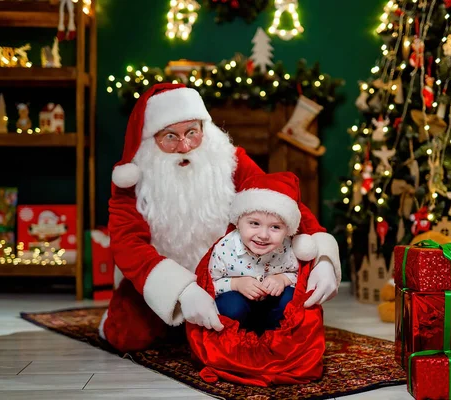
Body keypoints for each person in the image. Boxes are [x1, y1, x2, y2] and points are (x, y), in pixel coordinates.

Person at [98, 83, 341, 353]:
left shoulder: (229, 161)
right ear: (151, 140)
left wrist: (324, 258)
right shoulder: (132, 180)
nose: (185, 146)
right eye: (170, 137)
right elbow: (126, 244)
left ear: (204, 128)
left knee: (264, 328)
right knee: (127, 337)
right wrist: (182, 291)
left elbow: (279, 199)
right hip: (160, 279)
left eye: (192, 132)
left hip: (230, 275)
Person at [210, 172, 318, 333]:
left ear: (287, 230)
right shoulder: (225, 248)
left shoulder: (287, 249)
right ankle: (239, 335)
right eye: (254, 223)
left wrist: (282, 279)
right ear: (238, 222)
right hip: (239, 305)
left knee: (290, 299)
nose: (263, 235)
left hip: (270, 308)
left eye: (275, 227)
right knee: (231, 306)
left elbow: (300, 276)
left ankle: (274, 334)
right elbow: (209, 284)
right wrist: (236, 284)